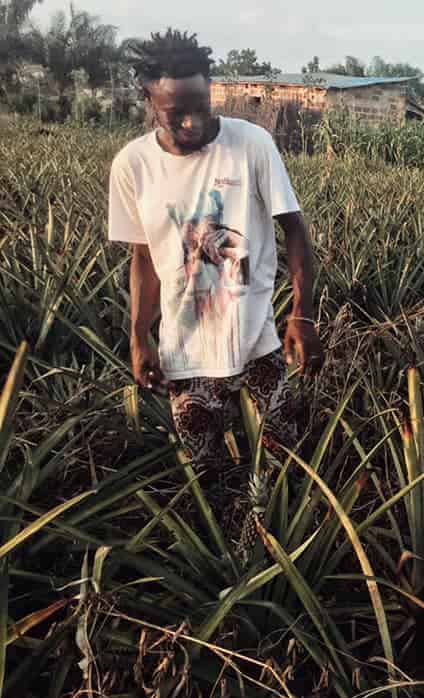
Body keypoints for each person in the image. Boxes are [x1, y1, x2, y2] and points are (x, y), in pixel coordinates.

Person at [108, 28, 322, 491]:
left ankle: (284, 540)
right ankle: (229, 548)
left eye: (200, 108)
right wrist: (139, 336)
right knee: (204, 473)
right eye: (175, 114)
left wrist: (301, 313)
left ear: (211, 88)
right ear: (148, 102)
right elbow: (142, 258)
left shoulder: (253, 145)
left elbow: (296, 230)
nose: (191, 123)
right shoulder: (132, 166)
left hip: (259, 340)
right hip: (184, 350)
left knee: (287, 461)